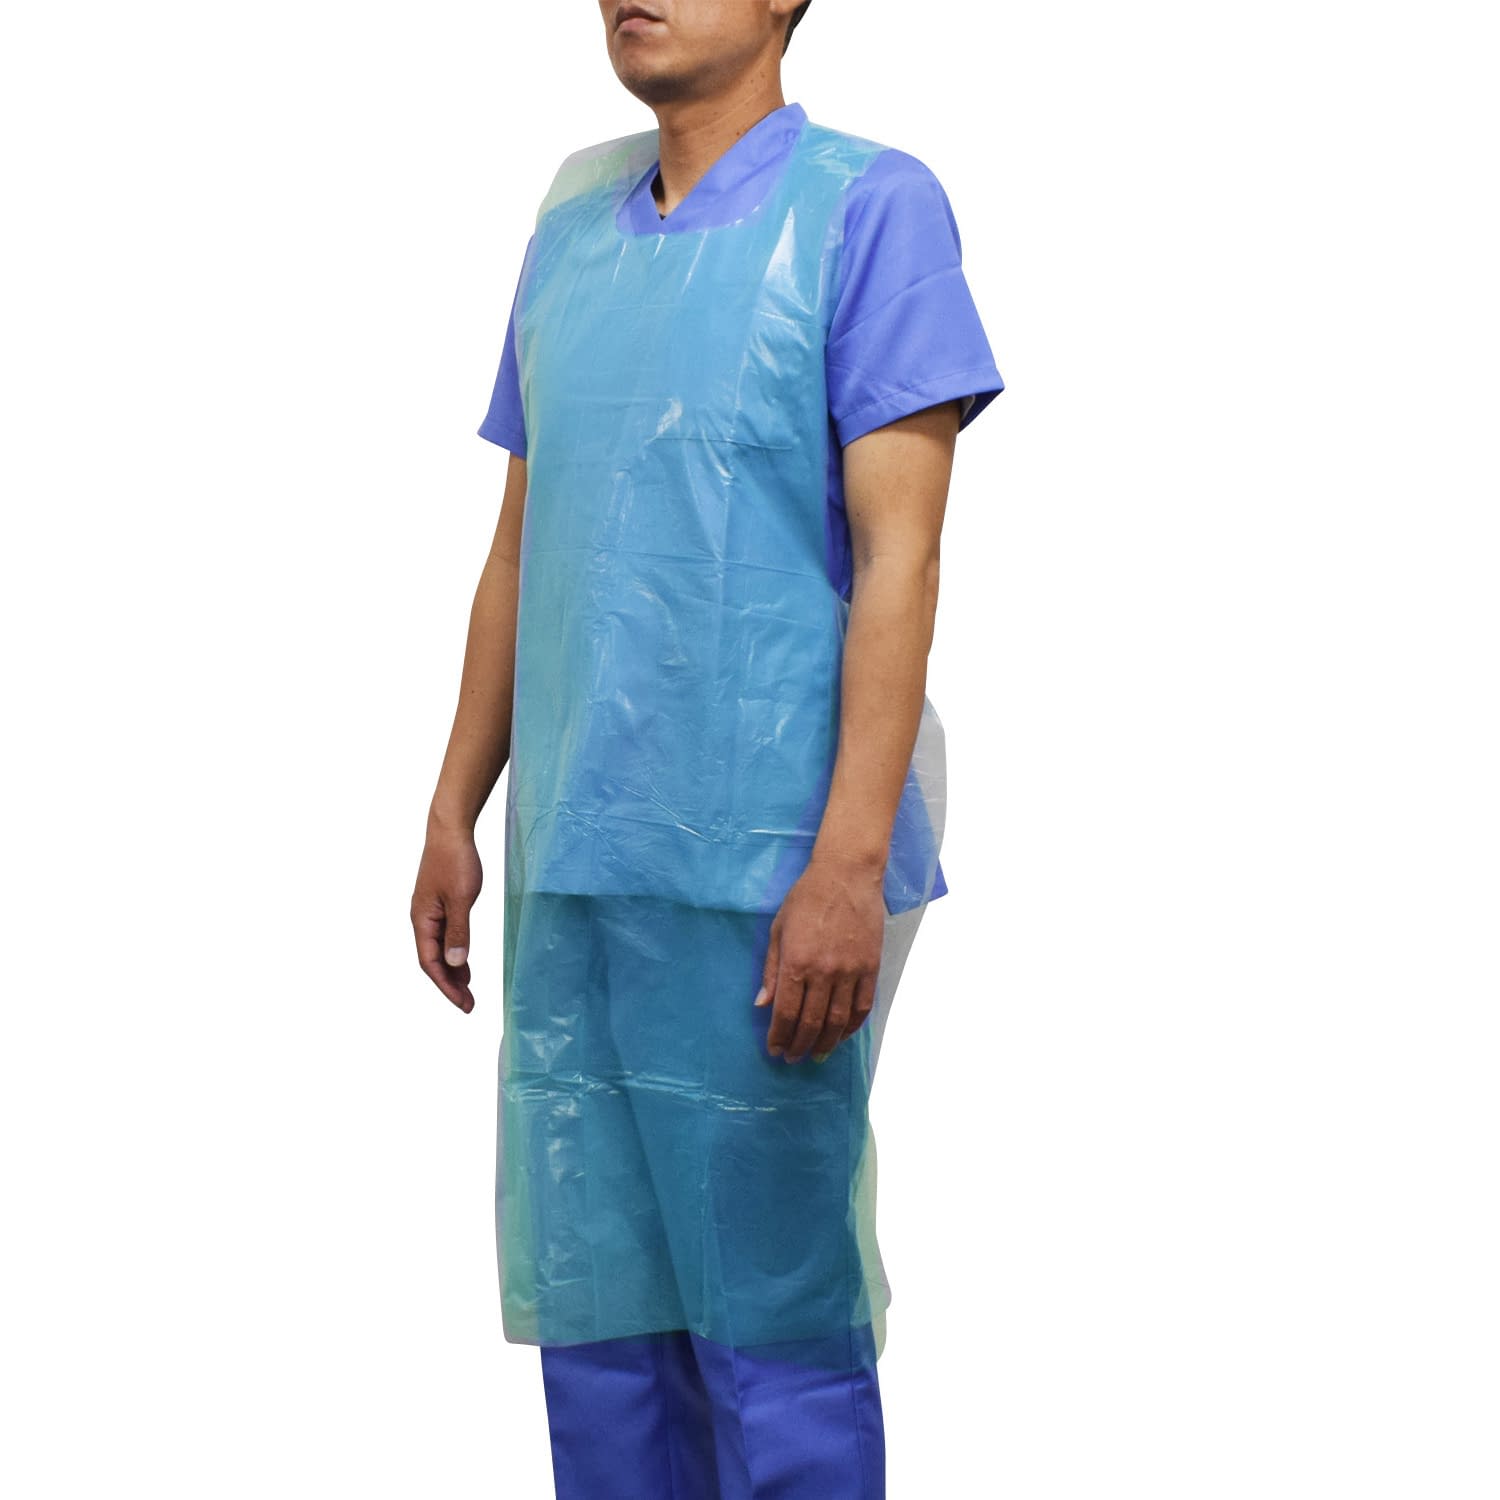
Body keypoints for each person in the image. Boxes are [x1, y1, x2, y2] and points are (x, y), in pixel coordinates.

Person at [410, 3, 1005, 1495]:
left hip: (772, 856)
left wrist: (847, 865)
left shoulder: (870, 210)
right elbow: (522, 545)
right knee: (599, 1294)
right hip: (579, 856)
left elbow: (903, 559)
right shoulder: (571, 224)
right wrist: (454, 805)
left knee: (770, 1304)